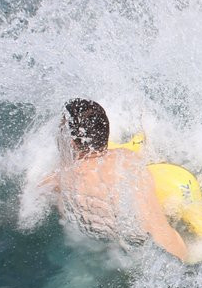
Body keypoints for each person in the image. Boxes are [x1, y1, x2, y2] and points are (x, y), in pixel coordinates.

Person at [49, 99, 189, 261]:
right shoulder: (129, 158)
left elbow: (30, 206)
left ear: (72, 143)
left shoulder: (62, 178)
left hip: (133, 259)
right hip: (175, 250)